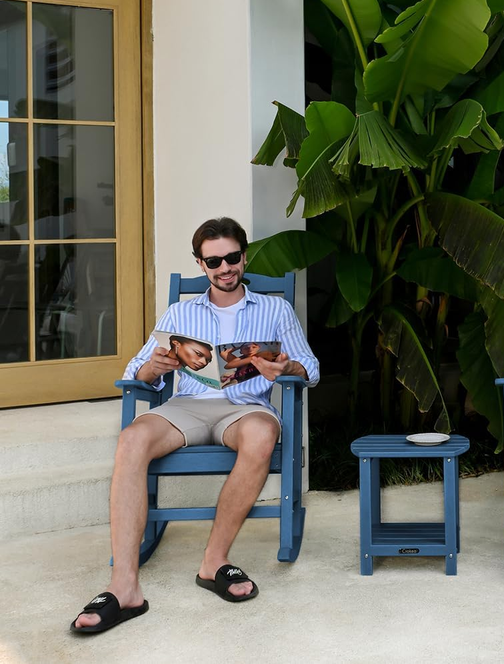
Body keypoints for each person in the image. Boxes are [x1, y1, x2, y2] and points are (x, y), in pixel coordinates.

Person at [71, 216, 319, 635]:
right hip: (186, 407)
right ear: (200, 264)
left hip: (244, 408)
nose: (225, 268)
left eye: (232, 258)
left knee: (262, 433)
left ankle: (213, 562)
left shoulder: (275, 309)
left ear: (244, 256)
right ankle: (124, 586)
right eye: (213, 261)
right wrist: (153, 367)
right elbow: (135, 371)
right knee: (131, 439)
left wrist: (286, 367)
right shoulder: (180, 313)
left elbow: (309, 367)